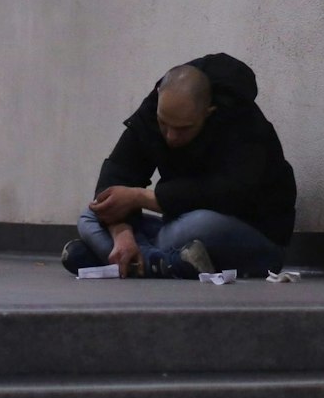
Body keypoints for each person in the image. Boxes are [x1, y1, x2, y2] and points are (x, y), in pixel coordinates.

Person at [63, 53, 297, 278]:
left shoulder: (244, 125)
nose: (171, 136)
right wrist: (122, 233)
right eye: (164, 124)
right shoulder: (155, 108)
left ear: (208, 113)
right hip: (178, 232)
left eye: (184, 128)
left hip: (248, 237)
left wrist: (140, 198)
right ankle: (159, 262)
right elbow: (117, 172)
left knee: (201, 225)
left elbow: (230, 194)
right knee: (90, 216)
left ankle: (115, 260)